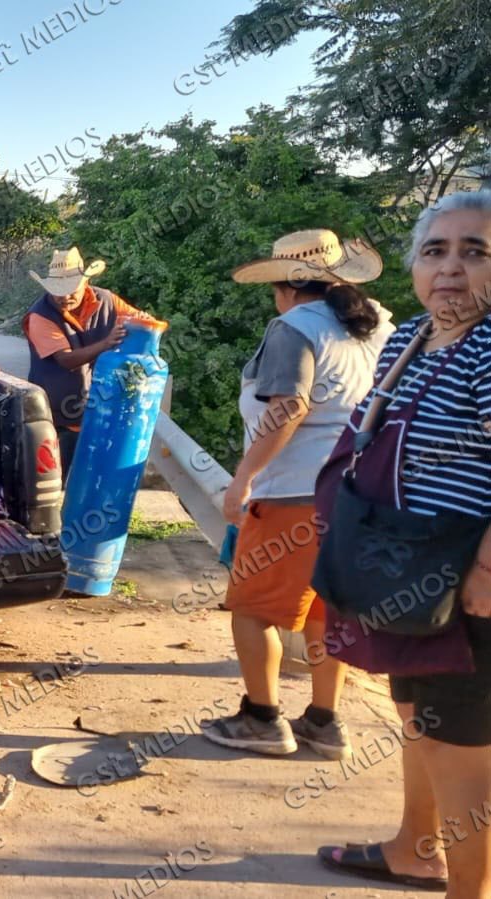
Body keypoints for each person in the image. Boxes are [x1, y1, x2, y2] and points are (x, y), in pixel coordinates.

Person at [317, 191, 491, 897]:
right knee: (416, 716)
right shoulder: (412, 336)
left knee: (461, 751)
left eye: (474, 251)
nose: (450, 267)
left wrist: (484, 567)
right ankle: (413, 848)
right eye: (434, 250)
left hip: (463, 579)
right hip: (402, 567)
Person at [200, 230, 394, 759]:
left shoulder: (294, 329)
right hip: (355, 493)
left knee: (253, 609)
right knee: (324, 611)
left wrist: (243, 479)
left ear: (284, 286)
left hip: (293, 495)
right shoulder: (373, 325)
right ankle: (324, 721)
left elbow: (288, 408)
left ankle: (262, 718)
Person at [23, 247, 163, 471]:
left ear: (84, 284)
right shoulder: (40, 316)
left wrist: (145, 323)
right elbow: (66, 360)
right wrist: (106, 344)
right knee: (60, 479)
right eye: (57, 292)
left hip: (99, 410)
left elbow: (138, 319)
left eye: (70, 291)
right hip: (58, 418)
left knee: (94, 475)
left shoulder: (106, 299)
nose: (64, 297)